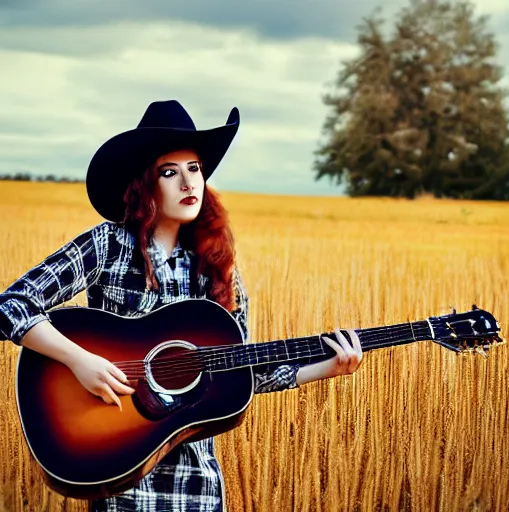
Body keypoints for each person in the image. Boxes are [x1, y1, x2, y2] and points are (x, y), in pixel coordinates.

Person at [0, 100, 363, 512]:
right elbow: (12, 304)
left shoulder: (218, 271)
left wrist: (328, 367)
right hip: (122, 481)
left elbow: (244, 374)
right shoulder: (108, 245)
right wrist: (81, 360)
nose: (188, 183)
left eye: (195, 169)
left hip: (196, 487)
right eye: (169, 172)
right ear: (145, 185)